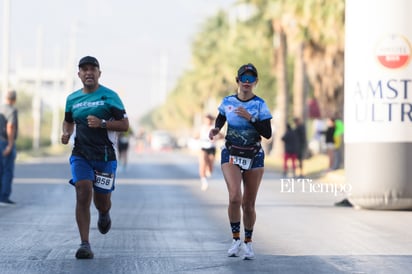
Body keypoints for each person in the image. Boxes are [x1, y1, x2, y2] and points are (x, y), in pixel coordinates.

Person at [61, 56, 129, 259]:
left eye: (93, 69)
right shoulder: (72, 99)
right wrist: (66, 133)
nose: (88, 72)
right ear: (79, 74)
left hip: (105, 155)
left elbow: (124, 125)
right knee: (83, 191)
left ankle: (104, 212)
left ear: (99, 73)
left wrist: (102, 124)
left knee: (102, 201)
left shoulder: (110, 96)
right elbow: (68, 121)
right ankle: (85, 244)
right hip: (81, 154)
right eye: (84, 69)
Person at [209, 63, 272, 260]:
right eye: (243, 78)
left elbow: (267, 134)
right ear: (237, 81)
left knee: (248, 204)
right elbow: (221, 118)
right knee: (235, 196)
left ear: (255, 82)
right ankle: (236, 239)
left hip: (254, 156)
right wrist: (216, 129)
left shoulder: (260, 105)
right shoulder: (228, 101)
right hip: (231, 153)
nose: (246, 82)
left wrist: (251, 118)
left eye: (250, 79)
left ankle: (248, 242)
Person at [0, 90, 18, 206]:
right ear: (14, 99)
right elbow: (10, 126)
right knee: (8, 171)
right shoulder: (11, 110)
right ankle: (4, 197)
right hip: (5, 142)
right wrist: (10, 145)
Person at [197, 114, 221, 191]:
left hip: (212, 148)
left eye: (209, 120)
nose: (208, 121)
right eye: (206, 120)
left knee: (210, 166)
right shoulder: (201, 128)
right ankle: (204, 182)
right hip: (203, 148)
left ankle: (209, 169)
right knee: (202, 163)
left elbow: (221, 136)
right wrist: (196, 137)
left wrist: (217, 137)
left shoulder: (214, 128)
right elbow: (196, 135)